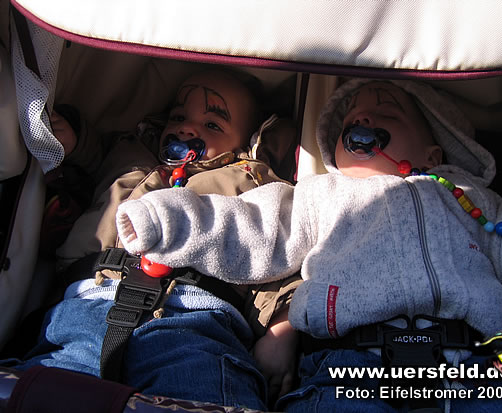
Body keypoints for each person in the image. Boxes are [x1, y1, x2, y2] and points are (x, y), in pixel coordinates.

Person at [114, 78, 502, 412]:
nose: (363, 120)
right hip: (352, 364)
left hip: (475, 365)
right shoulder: (318, 195)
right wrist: (167, 220)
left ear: (433, 155)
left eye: (386, 113)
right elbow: (251, 227)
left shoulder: (472, 200)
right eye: (352, 119)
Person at [2, 69, 301, 410]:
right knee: (45, 391)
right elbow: (94, 151)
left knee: (204, 392)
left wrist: (281, 332)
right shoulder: (130, 155)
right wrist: (72, 141)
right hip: (86, 307)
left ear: (248, 142)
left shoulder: (248, 184)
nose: (187, 128)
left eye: (212, 124)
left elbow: (279, 256)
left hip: (192, 319)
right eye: (178, 117)